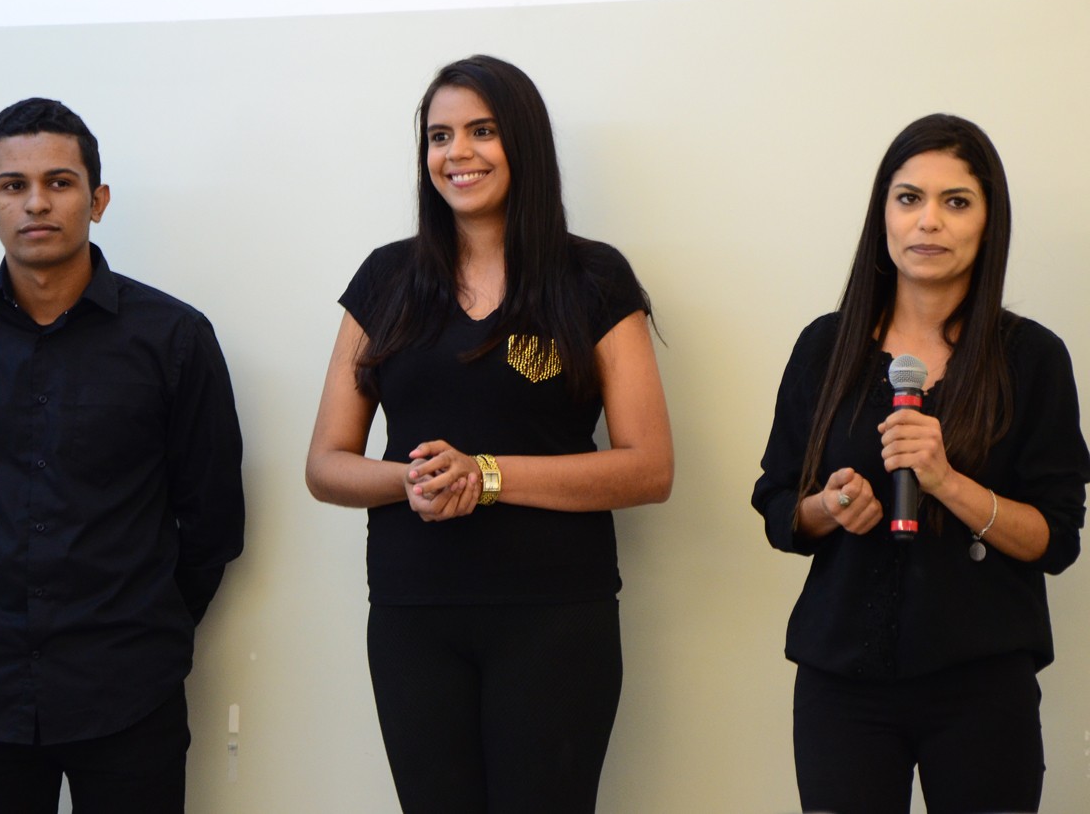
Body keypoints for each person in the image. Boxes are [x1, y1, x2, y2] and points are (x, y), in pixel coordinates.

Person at [305, 55, 673, 814]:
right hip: (413, 617)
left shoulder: (593, 277)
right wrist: (415, 481)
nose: (457, 153)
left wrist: (487, 474)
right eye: (440, 136)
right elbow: (326, 464)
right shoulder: (385, 279)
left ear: (524, 143)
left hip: (555, 615)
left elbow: (649, 469)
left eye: (482, 131)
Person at [0, 97, 245, 814]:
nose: (36, 203)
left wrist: (144, 623)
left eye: (59, 182)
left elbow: (212, 520)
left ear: (98, 199)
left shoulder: (174, 339)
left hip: (130, 691)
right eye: (12, 185)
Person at [752, 113, 1090, 814]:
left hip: (981, 683)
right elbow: (779, 504)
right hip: (841, 681)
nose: (928, 221)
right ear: (883, 214)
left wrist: (948, 483)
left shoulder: (1032, 358)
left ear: (988, 221)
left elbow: (1056, 540)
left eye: (955, 201)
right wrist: (830, 507)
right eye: (909, 198)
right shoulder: (825, 347)